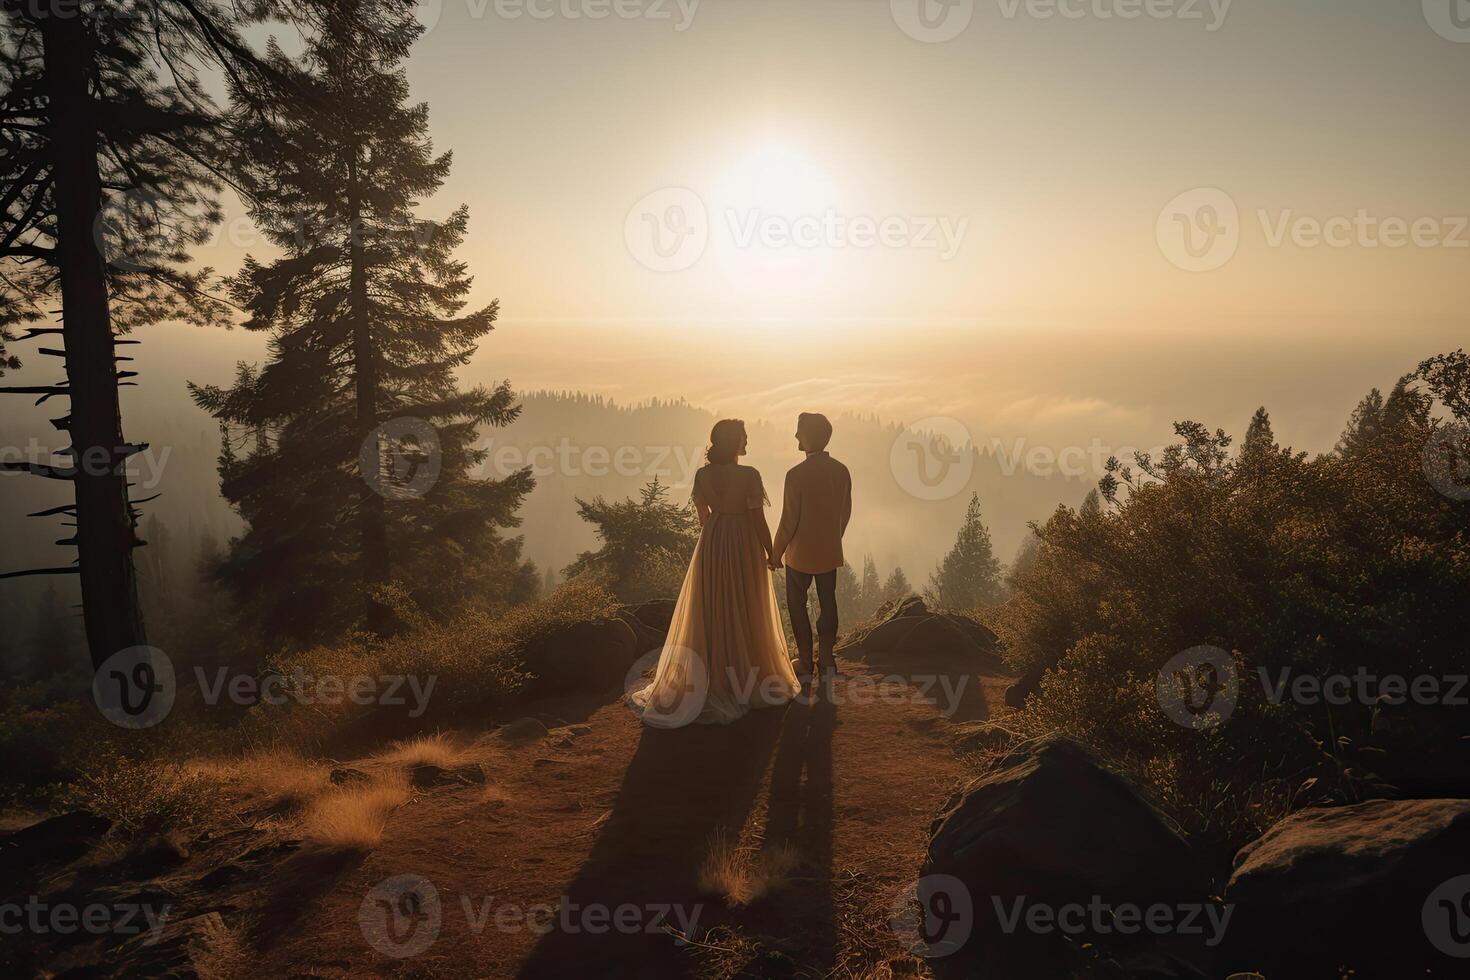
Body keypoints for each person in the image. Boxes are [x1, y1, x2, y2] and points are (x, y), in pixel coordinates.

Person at [629, 419, 799, 728]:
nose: (746, 442)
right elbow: (757, 518)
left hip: (713, 540)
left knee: (711, 603)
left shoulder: (702, 475)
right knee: (747, 602)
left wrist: (717, 532)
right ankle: (747, 677)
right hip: (743, 540)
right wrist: (771, 552)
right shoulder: (750, 475)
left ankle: (710, 676)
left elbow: (702, 516)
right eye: (743, 437)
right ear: (736, 442)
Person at [770, 413, 852, 687]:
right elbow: (845, 512)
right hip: (829, 550)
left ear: (808, 436)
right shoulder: (841, 471)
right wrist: (833, 537)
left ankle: (805, 661)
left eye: (799, 431)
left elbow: (789, 520)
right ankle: (827, 658)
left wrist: (776, 551)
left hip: (799, 553)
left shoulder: (795, 475)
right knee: (828, 602)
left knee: (797, 604)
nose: (795, 436)